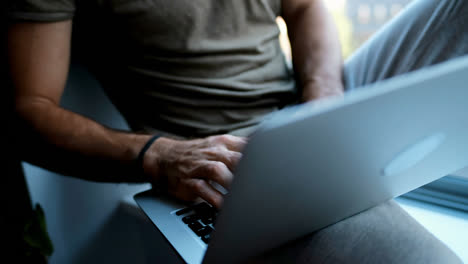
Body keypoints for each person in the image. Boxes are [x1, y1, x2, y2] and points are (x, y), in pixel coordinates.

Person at [5, 0, 466, 263]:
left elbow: (304, 6)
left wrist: (324, 96)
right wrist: (159, 156)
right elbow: (28, 111)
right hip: (227, 156)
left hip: (309, 102)